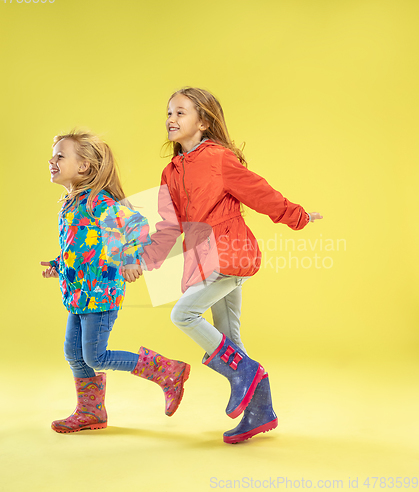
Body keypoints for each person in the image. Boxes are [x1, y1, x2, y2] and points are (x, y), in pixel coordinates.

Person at [138, 87, 323, 444]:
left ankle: (246, 372)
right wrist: (145, 259)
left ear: (203, 122)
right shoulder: (171, 172)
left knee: (183, 315)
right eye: (169, 113)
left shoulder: (219, 159)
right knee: (231, 338)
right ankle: (259, 412)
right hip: (203, 260)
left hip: (229, 254)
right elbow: (167, 225)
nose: (171, 119)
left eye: (180, 113)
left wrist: (297, 216)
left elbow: (261, 193)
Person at [41, 129, 190, 434]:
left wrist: (133, 259)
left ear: (83, 166)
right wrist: (59, 265)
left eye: (60, 155)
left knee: (95, 355)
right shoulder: (72, 204)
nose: (51, 160)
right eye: (52, 155)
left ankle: (167, 371)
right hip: (80, 294)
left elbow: (135, 224)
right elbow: (83, 248)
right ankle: (90, 412)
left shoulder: (98, 202)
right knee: (74, 353)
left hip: (101, 294)